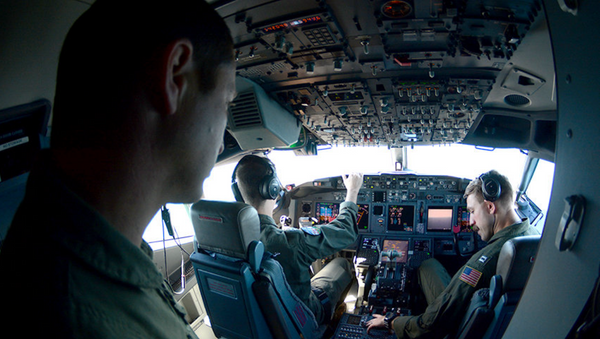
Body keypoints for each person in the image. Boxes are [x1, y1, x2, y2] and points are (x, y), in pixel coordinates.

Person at [0, 1, 236, 338]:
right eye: (227, 101)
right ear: (174, 76)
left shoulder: (54, 255)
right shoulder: (84, 318)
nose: (224, 141)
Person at [367, 170, 539, 338]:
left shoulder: (480, 264)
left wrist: (391, 321)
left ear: (490, 207)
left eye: (472, 211)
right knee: (428, 265)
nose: (471, 223)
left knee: (425, 268)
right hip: (498, 323)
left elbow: (431, 324)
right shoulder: (532, 238)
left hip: (455, 327)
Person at [232, 154, 364, 325]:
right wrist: (352, 191)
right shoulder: (290, 241)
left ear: (238, 193)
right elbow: (346, 231)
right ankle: (333, 323)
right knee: (341, 264)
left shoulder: (225, 238)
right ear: (272, 188)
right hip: (304, 315)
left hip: (260, 320)